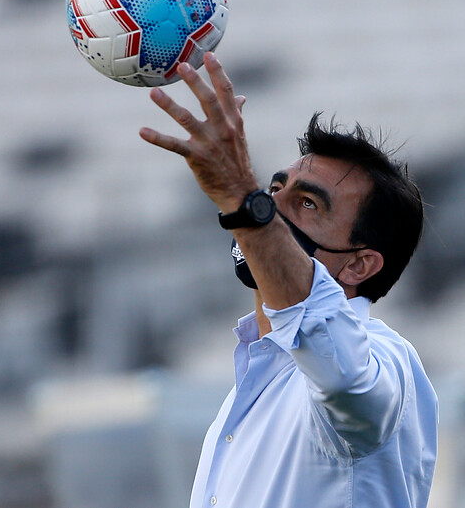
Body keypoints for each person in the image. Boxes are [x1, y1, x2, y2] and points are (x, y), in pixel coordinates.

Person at [139, 52, 437, 508]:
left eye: (308, 204)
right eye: (274, 190)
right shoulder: (252, 387)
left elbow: (344, 380)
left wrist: (241, 198)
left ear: (358, 265)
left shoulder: (385, 360)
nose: (270, 206)